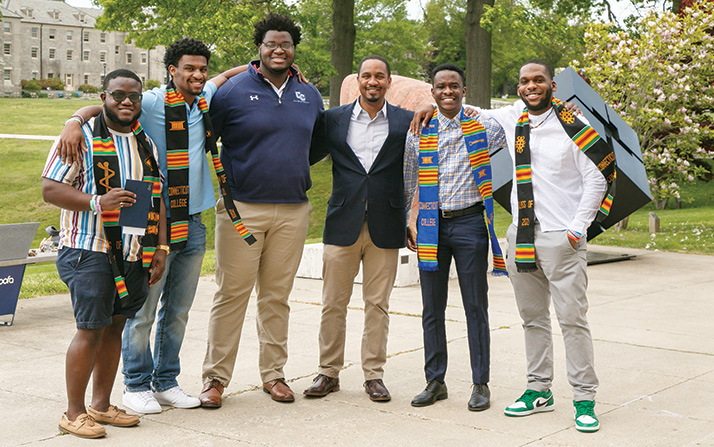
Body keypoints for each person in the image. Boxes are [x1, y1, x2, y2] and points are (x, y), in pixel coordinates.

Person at [56, 38, 253, 414]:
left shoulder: (203, 98)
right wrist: (74, 121)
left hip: (193, 221)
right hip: (152, 221)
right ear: (172, 70)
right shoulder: (149, 101)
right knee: (142, 311)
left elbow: (226, 76)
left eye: (202, 69)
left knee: (177, 312)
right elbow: (109, 103)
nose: (197, 75)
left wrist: (266, 66)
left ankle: (165, 382)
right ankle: (135, 384)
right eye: (189, 68)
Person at [477, 60, 611, 432]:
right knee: (532, 319)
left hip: (560, 237)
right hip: (521, 236)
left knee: (572, 321)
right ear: (519, 87)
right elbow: (470, 111)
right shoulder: (513, 118)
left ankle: (584, 398)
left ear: (552, 85)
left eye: (539, 80)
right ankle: (539, 390)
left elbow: (598, 178)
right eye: (525, 81)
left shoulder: (574, 125)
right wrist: (429, 105)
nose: (531, 86)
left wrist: (576, 230)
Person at [199, 12, 324, 407]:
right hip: (241, 210)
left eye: (286, 44)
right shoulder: (232, 92)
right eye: (271, 43)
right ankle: (215, 379)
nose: (278, 50)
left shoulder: (309, 95)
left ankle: (274, 375)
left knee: (276, 297)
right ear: (259, 47)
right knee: (231, 295)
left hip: (293, 211)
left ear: (294, 49)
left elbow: (314, 146)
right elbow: (205, 134)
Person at [42, 69, 167, 438]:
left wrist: (161, 247)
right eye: (118, 95)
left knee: (115, 327)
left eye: (134, 96)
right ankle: (73, 412)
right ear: (104, 98)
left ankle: (100, 405)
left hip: (132, 253)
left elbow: (156, 197)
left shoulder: (145, 142)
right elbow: (51, 189)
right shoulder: (80, 137)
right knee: (90, 329)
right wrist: (98, 202)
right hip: (89, 250)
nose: (126, 101)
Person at [304, 55, 414, 402]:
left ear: (389, 82)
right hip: (342, 222)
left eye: (380, 76)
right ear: (357, 81)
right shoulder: (333, 120)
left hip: (387, 224)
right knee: (332, 303)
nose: (373, 81)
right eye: (366, 75)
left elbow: (421, 166)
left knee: (377, 305)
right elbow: (303, 153)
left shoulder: (406, 121)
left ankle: (373, 375)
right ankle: (328, 372)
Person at [403, 64, 508, 412]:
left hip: (470, 225)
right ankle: (435, 381)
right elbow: (408, 178)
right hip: (431, 225)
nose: (447, 91)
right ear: (432, 91)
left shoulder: (484, 127)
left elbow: (515, 122)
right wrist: (408, 220)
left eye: (454, 86)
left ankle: (481, 383)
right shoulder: (419, 131)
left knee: (475, 306)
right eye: (441, 87)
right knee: (431, 308)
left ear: (464, 90)